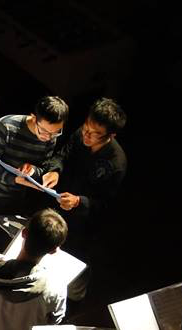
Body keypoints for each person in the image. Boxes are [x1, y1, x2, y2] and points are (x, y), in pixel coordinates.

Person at [0, 96, 69, 265]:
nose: (48, 137)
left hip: (13, 200)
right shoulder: (6, 126)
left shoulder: (50, 137)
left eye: (55, 132)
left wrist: (34, 170)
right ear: (33, 118)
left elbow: (43, 166)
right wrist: (15, 179)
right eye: (43, 131)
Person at [51, 98, 127, 301]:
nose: (87, 134)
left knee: (76, 262)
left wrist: (79, 201)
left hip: (85, 224)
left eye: (96, 134)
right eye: (86, 127)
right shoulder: (81, 134)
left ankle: (74, 299)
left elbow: (105, 204)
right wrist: (55, 171)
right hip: (60, 203)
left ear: (111, 135)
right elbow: (62, 155)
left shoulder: (115, 163)